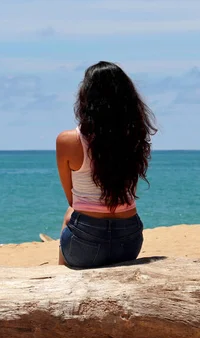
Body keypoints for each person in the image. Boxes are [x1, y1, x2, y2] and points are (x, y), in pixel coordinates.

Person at [56, 61, 157, 269]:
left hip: (86, 243)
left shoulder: (68, 141)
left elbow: (73, 200)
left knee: (68, 215)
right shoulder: (133, 138)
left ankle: (61, 279)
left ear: (86, 97)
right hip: (129, 241)